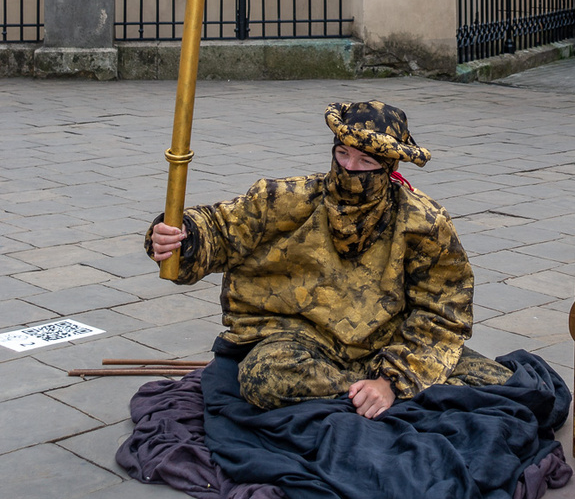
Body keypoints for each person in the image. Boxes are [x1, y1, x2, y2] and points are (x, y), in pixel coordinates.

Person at [148, 100, 511, 418]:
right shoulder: (288, 199)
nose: (350, 167)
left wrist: (392, 379)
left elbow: (444, 311)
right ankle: (365, 394)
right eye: (342, 154)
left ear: (388, 168)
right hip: (300, 341)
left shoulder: (425, 223)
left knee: (505, 387)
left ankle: (378, 394)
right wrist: (180, 236)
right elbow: (221, 227)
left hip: (387, 344)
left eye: (365, 160)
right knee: (264, 377)